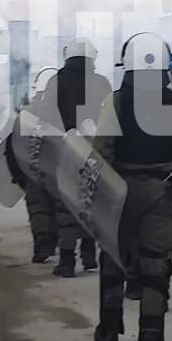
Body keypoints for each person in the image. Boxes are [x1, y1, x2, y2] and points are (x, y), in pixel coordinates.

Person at [89, 33, 172, 341]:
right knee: (155, 267)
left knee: (112, 258)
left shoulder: (117, 102)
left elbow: (101, 151)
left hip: (119, 192)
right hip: (160, 192)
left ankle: (109, 332)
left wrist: (101, 190)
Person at [48, 41, 112, 278]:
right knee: (91, 202)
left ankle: (66, 262)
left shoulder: (56, 82)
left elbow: (46, 119)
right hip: (95, 152)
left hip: (65, 150)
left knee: (66, 205)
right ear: (91, 58)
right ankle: (89, 256)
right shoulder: (102, 83)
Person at [5, 68, 60, 263]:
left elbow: (12, 148)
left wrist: (19, 176)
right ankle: (53, 243)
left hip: (33, 169)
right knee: (55, 208)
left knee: (38, 209)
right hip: (54, 171)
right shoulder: (62, 110)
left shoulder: (27, 114)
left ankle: (42, 245)